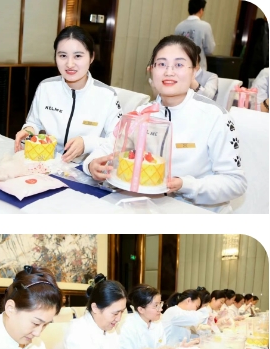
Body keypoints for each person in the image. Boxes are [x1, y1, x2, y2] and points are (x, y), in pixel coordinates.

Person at [86, 35, 247, 212]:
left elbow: (235, 182)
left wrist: (185, 185)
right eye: (161, 64)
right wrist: (92, 165)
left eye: (179, 65)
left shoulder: (215, 116)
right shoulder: (142, 113)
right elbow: (108, 147)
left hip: (195, 212)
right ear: (151, 70)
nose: (169, 72)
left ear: (194, 71)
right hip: (145, 206)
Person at [14, 26, 121, 163]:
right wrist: (28, 131)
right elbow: (34, 123)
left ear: (91, 57)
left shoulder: (107, 95)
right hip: (47, 162)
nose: (70, 64)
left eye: (78, 56)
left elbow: (118, 140)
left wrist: (86, 143)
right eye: (63, 56)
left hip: (86, 167)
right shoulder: (46, 87)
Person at [64, 274, 160, 349]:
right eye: (115, 313)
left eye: (122, 312)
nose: (119, 318)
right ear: (95, 308)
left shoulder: (110, 329)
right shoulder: (77, 330)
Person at [119, 285, 181, 349]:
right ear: (141, 309)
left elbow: (161, 348)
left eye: (160, 304)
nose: (161, 309)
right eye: (156, 306)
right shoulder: (127, 326)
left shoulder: (157, 322)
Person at [174, 0, 216, 71]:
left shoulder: (179, 26)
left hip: (180, 67)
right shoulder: (205, 26)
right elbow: (209, 49)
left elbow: (175, 47)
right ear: (201, 10)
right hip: (198, 68)